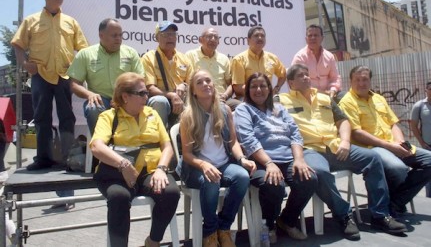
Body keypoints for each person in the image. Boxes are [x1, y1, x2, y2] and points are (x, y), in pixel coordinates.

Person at [276, 64, 407, 234]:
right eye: (301, 76)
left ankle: (380, 215)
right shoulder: (281, 101)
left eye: (307, 74)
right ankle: (343, 215)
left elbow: (343, 121)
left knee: (373, 158)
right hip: (310, 150)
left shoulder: (324, 98)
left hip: (336, 146)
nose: (307, 78)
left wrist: (345, 141)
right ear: (291, 83)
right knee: (318, 173)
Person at [234, 73, 360, 242]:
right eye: (253, 86)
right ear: (248, 91)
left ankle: (287, 220)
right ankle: (269, 225)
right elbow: (248, 140)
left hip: (287, 159)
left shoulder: (280, 109)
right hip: (260, 161)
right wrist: (269, 163)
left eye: (263, 86)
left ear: (269, 89)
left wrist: (299, 160)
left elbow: (295, 134)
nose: (258, 90)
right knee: (274, 184)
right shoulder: (244, 110)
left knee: (309, 178)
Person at [90, 72, 180, 247]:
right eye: (142, 93)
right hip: (117, 173)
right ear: (125, 96)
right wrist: (123, 165)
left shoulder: (152, 114)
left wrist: (161, 169)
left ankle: (153, 241)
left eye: (146, 92)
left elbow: (167, 146)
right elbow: (96, 147)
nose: (147, 96)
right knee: (119, 197)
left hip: (151, 170)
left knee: (170, 192)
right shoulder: (109, 116)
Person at [11, 0, 88, 171]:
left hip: (64, 75)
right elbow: (18, 44)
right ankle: (43, 158)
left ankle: (69, 158)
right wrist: (25, 64)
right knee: (41, 117)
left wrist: (77, 66)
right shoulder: (31, 20)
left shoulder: (71, 22)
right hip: (40, 75)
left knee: (67, 117)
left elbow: (84, 48)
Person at [177, 70, 256, 247]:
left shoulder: (224, 110)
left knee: (242, 176)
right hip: (197, 168)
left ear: (214, 85)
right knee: (211, 180)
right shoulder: (188, 116)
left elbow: (233, 142)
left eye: (208, 81)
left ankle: (224, 227)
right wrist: (204, 165)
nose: (206, 84)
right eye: (200, 82)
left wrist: (242, 158)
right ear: (193, 91)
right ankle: (210, 232)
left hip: (223, 163)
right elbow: (187, 155)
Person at [339, 65, 431, 216]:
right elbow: (356, 133)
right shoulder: (347, 102)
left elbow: (393, 123)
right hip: (372, 148)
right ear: (350, 81)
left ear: (370, 81)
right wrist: (390, 146)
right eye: (357, 80)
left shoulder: (379, 98)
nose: (361, 83)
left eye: (365, 80)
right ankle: (392, 203)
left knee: (429, 161)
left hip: (392, 144)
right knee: (398, 169)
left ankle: (396, 201)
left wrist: (400, 142)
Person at [67, 18, 145, 135]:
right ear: (101, 35)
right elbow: (74, 84)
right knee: (93, 108)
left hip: (126, 98)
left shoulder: (131, 53)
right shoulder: (86, 54)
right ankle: (102, 147)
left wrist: (122, 98)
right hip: (101, 99)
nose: (118, 39)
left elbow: (140, 81)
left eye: (120, 35)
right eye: (114, 35)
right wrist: (89, 94)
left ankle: (133, 145)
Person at [141, 21, 192, 128]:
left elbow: (193, 84)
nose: (170, 38)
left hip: (182, 99)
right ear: (157, 38)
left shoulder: (184, 59)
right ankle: (161, 139)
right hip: (162, 98)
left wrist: (184, 85)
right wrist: (172, 95)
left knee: (197, 101)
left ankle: (189, 140)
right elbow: (150, 88)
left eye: (173, 34)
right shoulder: (149, 58)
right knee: (160, 101)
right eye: (165, 35)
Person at [186, 28, 239, 110]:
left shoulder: (224, 58)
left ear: (218, 42)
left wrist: (225, 95)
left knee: (241, 107)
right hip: (199, 98)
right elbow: (188, 81)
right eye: (209, 36)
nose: (213, 39)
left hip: (221, 98)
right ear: (201, 40)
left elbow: (231, 84)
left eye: (216, 37)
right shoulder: (190, 56)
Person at [231, 26, 286, 99]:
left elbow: (283, 74)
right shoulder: (239, 59)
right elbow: (238, 88)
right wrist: (258, 97)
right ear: (248, 40)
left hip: (268, 98)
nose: (260, 38)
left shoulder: (272, 58)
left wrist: (277, 88)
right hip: (247, 99)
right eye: (256, 36)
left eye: (262, 36)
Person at [291, 24, 341, 100]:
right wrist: (320, 93)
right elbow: (297, 82)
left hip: (329, 94)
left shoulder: (329, 56)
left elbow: (335, 78)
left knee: (344, 96)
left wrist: (333, 90)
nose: (313, 38)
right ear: (306, 39)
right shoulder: (300, 57)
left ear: (322, 38)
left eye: (316, 35)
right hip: (307, 96)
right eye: (310, 36)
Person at [410, 81, 431, 197]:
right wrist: (422, 142)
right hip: (428, 145)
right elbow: (413, 126)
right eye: (430, 89)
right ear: (426, 90)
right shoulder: (419, 106)